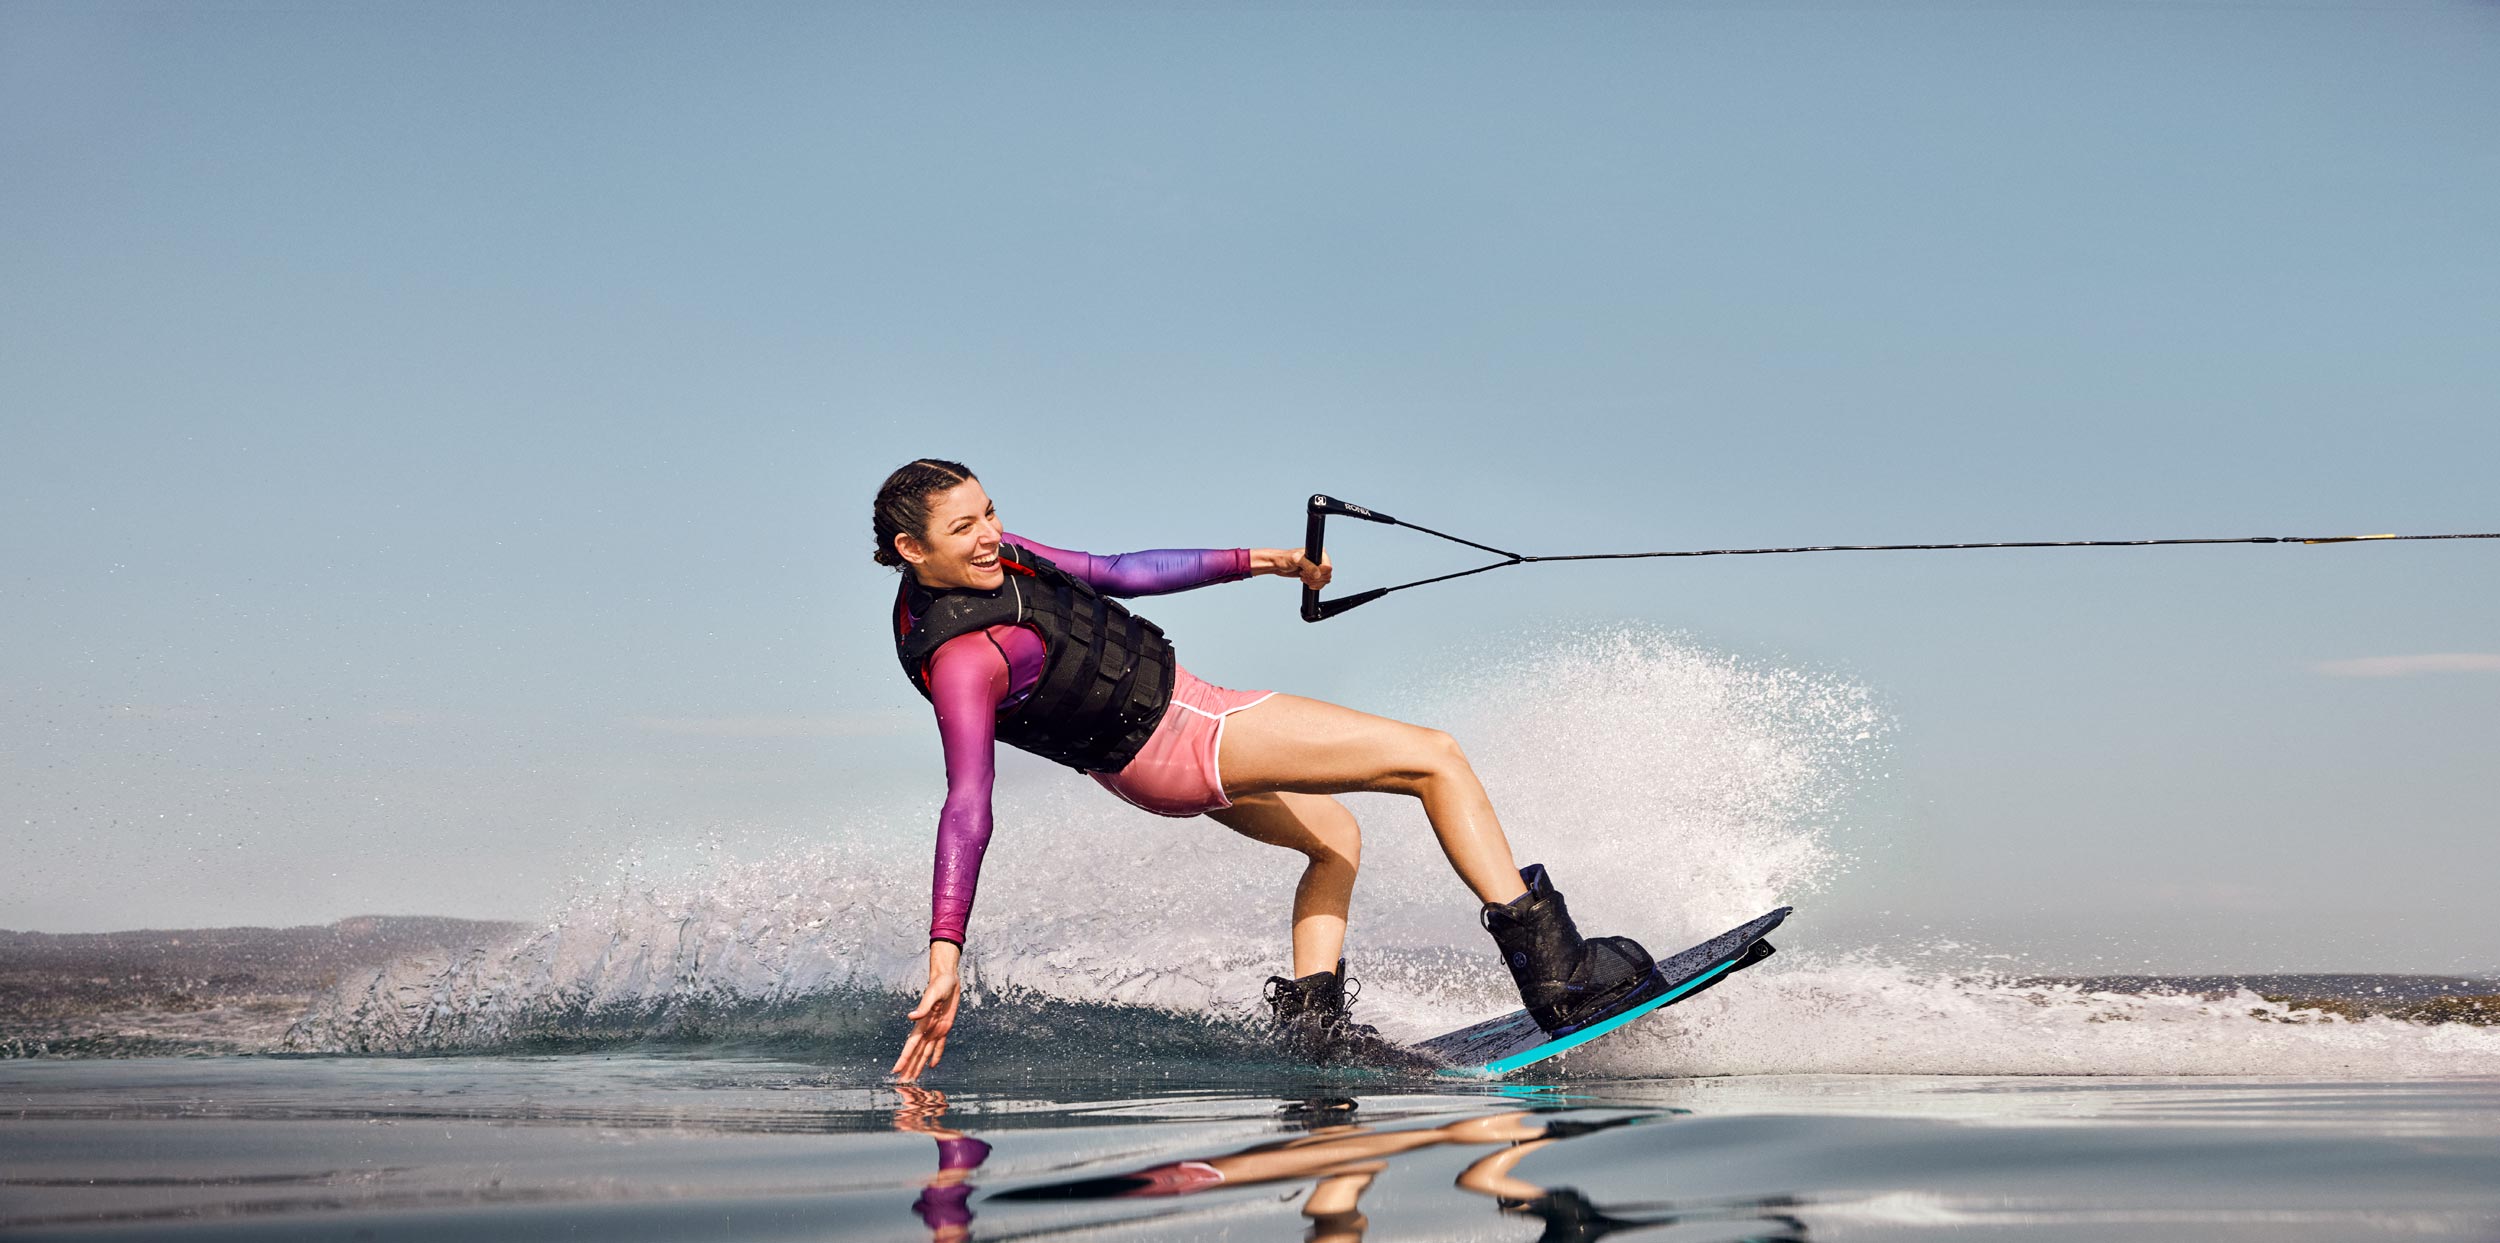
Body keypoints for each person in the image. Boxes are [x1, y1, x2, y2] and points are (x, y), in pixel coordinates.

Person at [875, 458, 1659, 1080]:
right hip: (1189, 731)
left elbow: (1114, 569)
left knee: (1335, 837)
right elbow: (968, 802)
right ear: (913, 548)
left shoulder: (975, 567)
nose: (991, 535)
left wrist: (1268, 561)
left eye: (989, 512)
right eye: (964, 526)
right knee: (1435, 757)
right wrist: (947, 951)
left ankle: (1315, 1030)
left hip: (1146, 761)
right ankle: (1560, 971)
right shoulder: (962, 657)